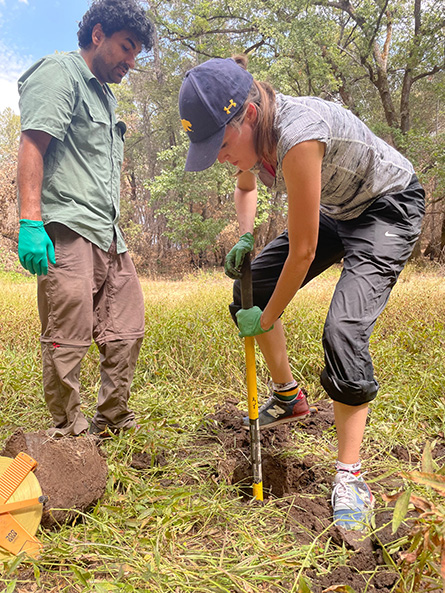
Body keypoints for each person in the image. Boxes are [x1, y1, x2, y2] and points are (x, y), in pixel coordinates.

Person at [178, 56, 425, 530]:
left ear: (248, 115)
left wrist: (267, 317)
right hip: (339, 206)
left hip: (387, 206)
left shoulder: (297, 136)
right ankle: (289, 396)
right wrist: (247, 235)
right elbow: (246, 185)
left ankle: (350, 476)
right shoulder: (254, 136)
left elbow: (304, 251)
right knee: (248, 288)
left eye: (222, 145)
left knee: (343, 329)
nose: (221, 157)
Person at [16, 0, 153, 438]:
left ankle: (113, 419)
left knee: (126, 329)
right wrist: (30, 223)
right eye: (126, 48)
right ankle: (70, 432)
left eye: (136, 54)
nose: (131, 62)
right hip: (68, 228)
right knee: (67, 336)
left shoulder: (106, 97)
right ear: (98, 35)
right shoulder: (60, 73)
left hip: (110, 234)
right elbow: (33, 144)